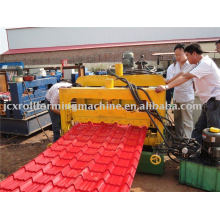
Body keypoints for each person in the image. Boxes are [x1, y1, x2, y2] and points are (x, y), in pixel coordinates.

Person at [155, 43, 220, 144]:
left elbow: (186, 77)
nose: (187, 58)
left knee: (213, 130)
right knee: (199, 129)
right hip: (208, 101)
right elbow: (183, 74)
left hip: (215, 100)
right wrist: (168, 82)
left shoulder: (205, 63)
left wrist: (166, 87)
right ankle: (191, 149)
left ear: (194, 53)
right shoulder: (196, 64)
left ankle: (212, 155)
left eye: (187, 55)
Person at [166, 44, 195, 138]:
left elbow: (181, 78)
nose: (177, 57)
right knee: (177, 120)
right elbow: (169, 79)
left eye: (179, 55)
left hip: (187, 98)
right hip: (176, 97)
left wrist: (168, 83)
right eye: (176, 55)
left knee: (187, 121)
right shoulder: (174, 66)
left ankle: (187, 142)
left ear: (186, 54)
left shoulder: (191, 65)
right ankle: (179, 139)